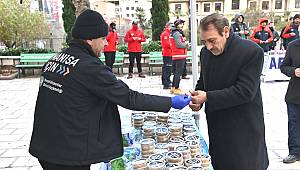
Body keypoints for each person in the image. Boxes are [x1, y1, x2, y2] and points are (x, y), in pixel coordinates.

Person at [28, 9, 191, 170]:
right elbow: (129, 98)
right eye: (103, 39)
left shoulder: (55, 59)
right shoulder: (90, 68)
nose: (106, 43)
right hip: (68, 153)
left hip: (45, 145)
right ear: (90, 39)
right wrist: (169, 102)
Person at [189, 13, 269, 170]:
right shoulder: (206, 52)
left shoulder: (251, 52)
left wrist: (207, 97)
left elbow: (245, 91)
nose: (209, 46)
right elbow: (204, 81)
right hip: (216, 125)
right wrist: (197, 98)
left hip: (242, 127)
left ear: (226, 31)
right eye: (204, 42)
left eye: (212, 40)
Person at [280, 39, 300, 164]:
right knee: (294, 123)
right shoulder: (293, 46)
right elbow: (284, 67)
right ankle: (295, 152)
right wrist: (293, 71)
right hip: (295, 94)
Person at [170, 19, 189, 95]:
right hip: (179, 55)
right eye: (181, 24)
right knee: (178, 73)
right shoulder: (177, 33)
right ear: (177, 24)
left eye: (182, 24)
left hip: (177, 55)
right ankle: (176, 88)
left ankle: (173, 88)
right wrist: (187, 45)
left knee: (176, 72)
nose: (182, 25)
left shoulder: (175, 32)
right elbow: (179, 44)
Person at [160, 21, 173, 89]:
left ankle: (167, 80)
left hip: (169, 53)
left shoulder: (169, 34)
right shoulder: (165, 34)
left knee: (167, 68)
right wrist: (174, 45)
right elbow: (166, 44)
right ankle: (166, 83)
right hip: (167, 54)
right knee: (167, 68)